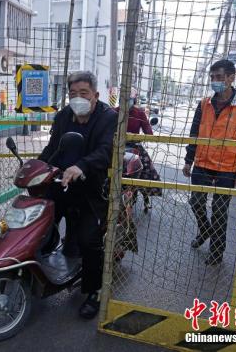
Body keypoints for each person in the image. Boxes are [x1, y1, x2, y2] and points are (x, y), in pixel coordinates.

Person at [39, 71, 118, 319]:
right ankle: (41, 267)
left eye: (83, 93)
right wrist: (37, 167)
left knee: (88, 240)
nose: (77, 98)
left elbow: (106, 151)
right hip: (62, 182)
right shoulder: (63, 116)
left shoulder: (109, 118)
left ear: (95, 95)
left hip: (92, 189)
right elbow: (52, 148)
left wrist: (81, 166)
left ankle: (94, 291)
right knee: (39, 220)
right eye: (73, 94)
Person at [183, 59, 236, 266]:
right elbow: (194, 133)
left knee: (220, 211)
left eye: (219, 77)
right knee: (195, 202)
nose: (215, 81)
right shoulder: (204, 104)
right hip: (202, 163)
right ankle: (204, 230)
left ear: (231, 78)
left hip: (228, 167)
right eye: (212, 77)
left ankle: (216, 251)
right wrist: (189, 160)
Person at [121, 95, 162, 212]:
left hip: (134, 146)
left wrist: (146, 134)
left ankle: (146, 195)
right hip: (117, 147)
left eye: (129, 99)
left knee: (147, 168)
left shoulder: (139, 113)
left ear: (134, 101)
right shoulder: (114, 112)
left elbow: (148, 131)